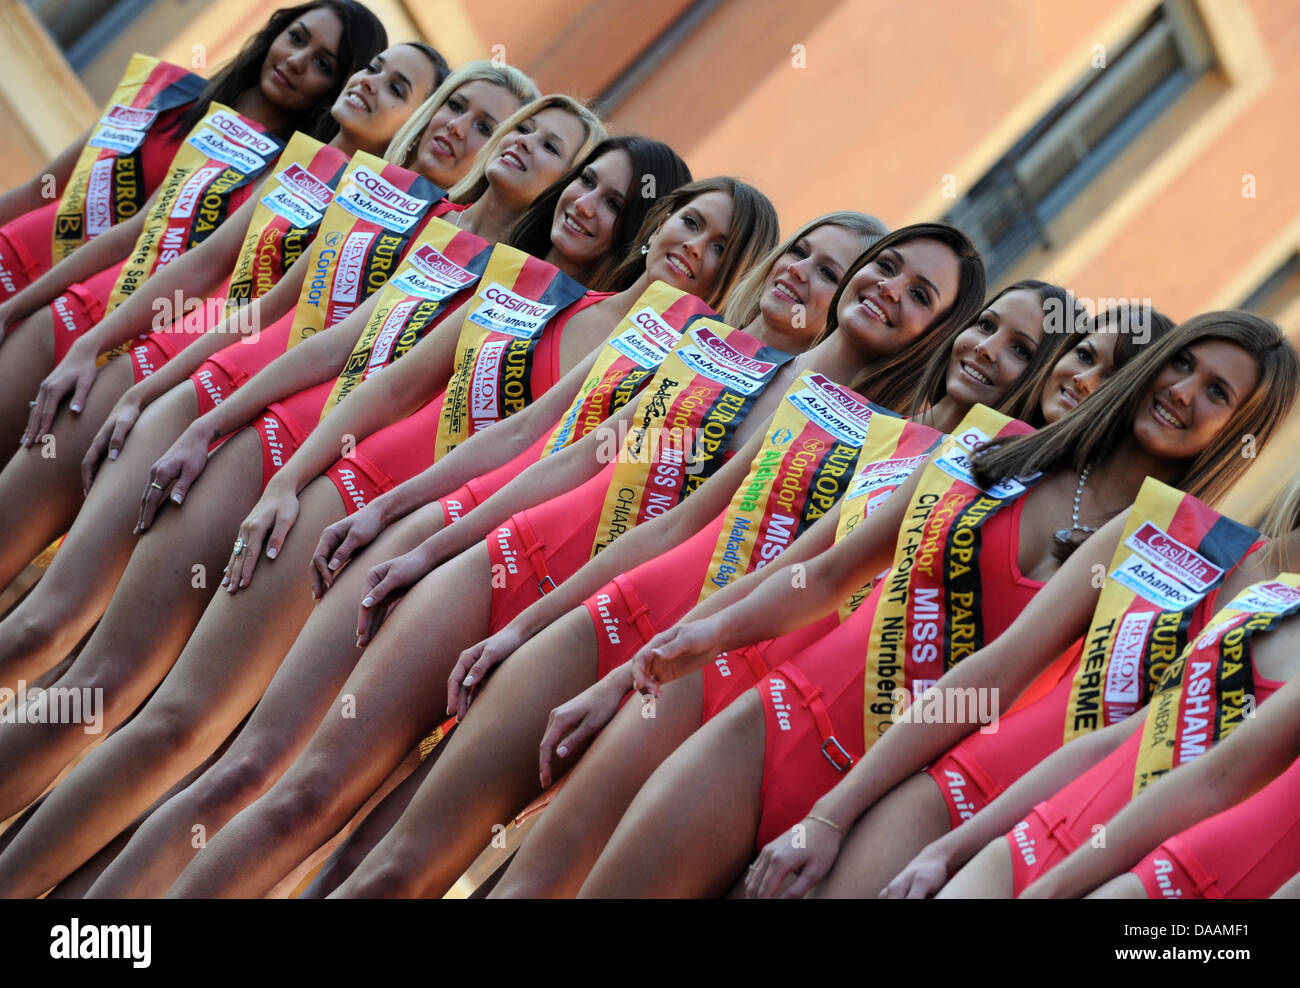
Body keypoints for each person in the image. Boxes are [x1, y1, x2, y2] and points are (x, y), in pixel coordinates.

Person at [160, 221, 984, 898]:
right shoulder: (716, 350)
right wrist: (434, 541)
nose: (884, 289)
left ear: (937, 333)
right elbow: (569, 456)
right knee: (301, 795)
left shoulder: (895, 461)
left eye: (920, 295)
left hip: (654, 672)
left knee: (400, 868)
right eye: (883, 268)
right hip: (535, 581)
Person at [49, 181, 787, 898]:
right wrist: (391, 519)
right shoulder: (603, 318)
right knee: (242, 765)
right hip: (447, 546)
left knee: (372, 859)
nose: (693, 245)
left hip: (572, 635)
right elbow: (524, 439)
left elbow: (677, 528)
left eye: (720, 245)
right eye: (688, 222)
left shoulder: (753, 397)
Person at [324, 279, 1094, 898]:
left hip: (782, 726)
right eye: (987, 326)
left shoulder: (1008, 505)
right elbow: (689, 524)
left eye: (1021, 347)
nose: (989, 351)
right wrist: (545, 633)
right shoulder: (847, 416)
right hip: (672, 648)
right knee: (403, 856)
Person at [570, 312, 1295, 898]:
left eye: (1217, 394)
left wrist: (866, 820)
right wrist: (679, 647)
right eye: (1182, 365)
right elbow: (822, 576)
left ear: (1239, 434)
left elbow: (1104, 729)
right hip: (783, 724)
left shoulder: (1195, 568)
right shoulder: (990, 450)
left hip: (934, 808)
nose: (1183, 392)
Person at [0, 43, 451, 598]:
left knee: (67, 614)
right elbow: (185, 254)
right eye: (375, 67)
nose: (371, 82)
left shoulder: (402, 226)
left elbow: (303, 335)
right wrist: (102, 353)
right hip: (146, 354)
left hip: (229, 411)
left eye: (398, 87)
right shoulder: (298, 160)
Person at [0, 1, 389, 448]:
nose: (297, 61)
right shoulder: (165, 91)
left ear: (340, 86)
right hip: (25, 273)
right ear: (275, 32)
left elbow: (199, 273)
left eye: (323, 63)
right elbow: (40, 192)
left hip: (106, 336)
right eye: (297, 37)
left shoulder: (295, 186)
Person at [914, 478, 1300, 897]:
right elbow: (1118, 743)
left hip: (1149, 885)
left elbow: (1214, 784)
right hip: (1029, 840)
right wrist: (952, 849)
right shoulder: (1264, 598)